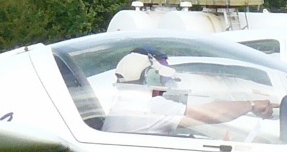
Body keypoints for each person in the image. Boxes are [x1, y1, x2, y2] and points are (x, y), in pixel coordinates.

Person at [104, 50, 277, 136]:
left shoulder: (123, 102)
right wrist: (251, 105)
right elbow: (212, 113)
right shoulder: (150, 105)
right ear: (148, 76)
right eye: (157, 75)